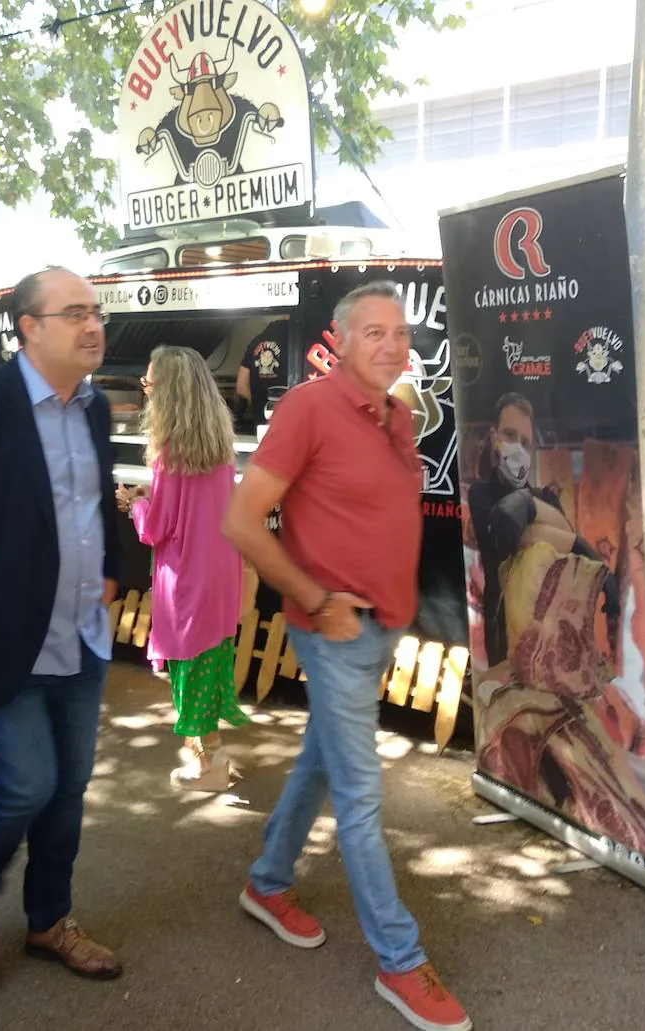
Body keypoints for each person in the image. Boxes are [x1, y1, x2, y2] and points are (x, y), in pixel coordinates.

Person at [221, 281, 472, 1031]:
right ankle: (401, 959)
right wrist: (315, 598)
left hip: (379, 629)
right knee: (360, 799)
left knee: (322, 764)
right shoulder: (308, 408)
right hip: (333, 633)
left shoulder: (396, 415)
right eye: (374, 331)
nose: (393, 344)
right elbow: (242, 520)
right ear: (339, 340)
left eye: (400, 332)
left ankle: (266, 882)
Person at [0, 266, 123, 984]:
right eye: (74, 312)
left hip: (82, 633)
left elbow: (98, 499)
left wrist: (115, 568)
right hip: (6, 640)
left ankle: (49, 919)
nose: (92, 325)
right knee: (28, 782)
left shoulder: (95, 408)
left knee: (69, 786)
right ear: (30, 328)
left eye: (95, 311)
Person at [117, 345, 247, 792]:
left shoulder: (169, 452)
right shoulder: (218, 443)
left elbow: (157, 528)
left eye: (150, 383)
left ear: (168, 392)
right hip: (221, 570)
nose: (145, 389)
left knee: (189, 670)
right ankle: (209, 754)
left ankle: (210, 764)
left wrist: (135, 503)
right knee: (210, 664)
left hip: (187, 573)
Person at [465, 392, 619, 669]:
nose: (517, 447)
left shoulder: (547, 497)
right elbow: (508, 535)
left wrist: (526, 505)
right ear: (493, 437)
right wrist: (578, 543)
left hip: (551, 636)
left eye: (525, 442)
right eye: (509, 435)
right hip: (504, 636)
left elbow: (561, 552)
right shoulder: (480, 495)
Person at [235, 319, 288, 429]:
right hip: (288, 420)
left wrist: (258, 402)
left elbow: (241, 387)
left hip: (261, 424)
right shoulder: (296, 340)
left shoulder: (255, 342)